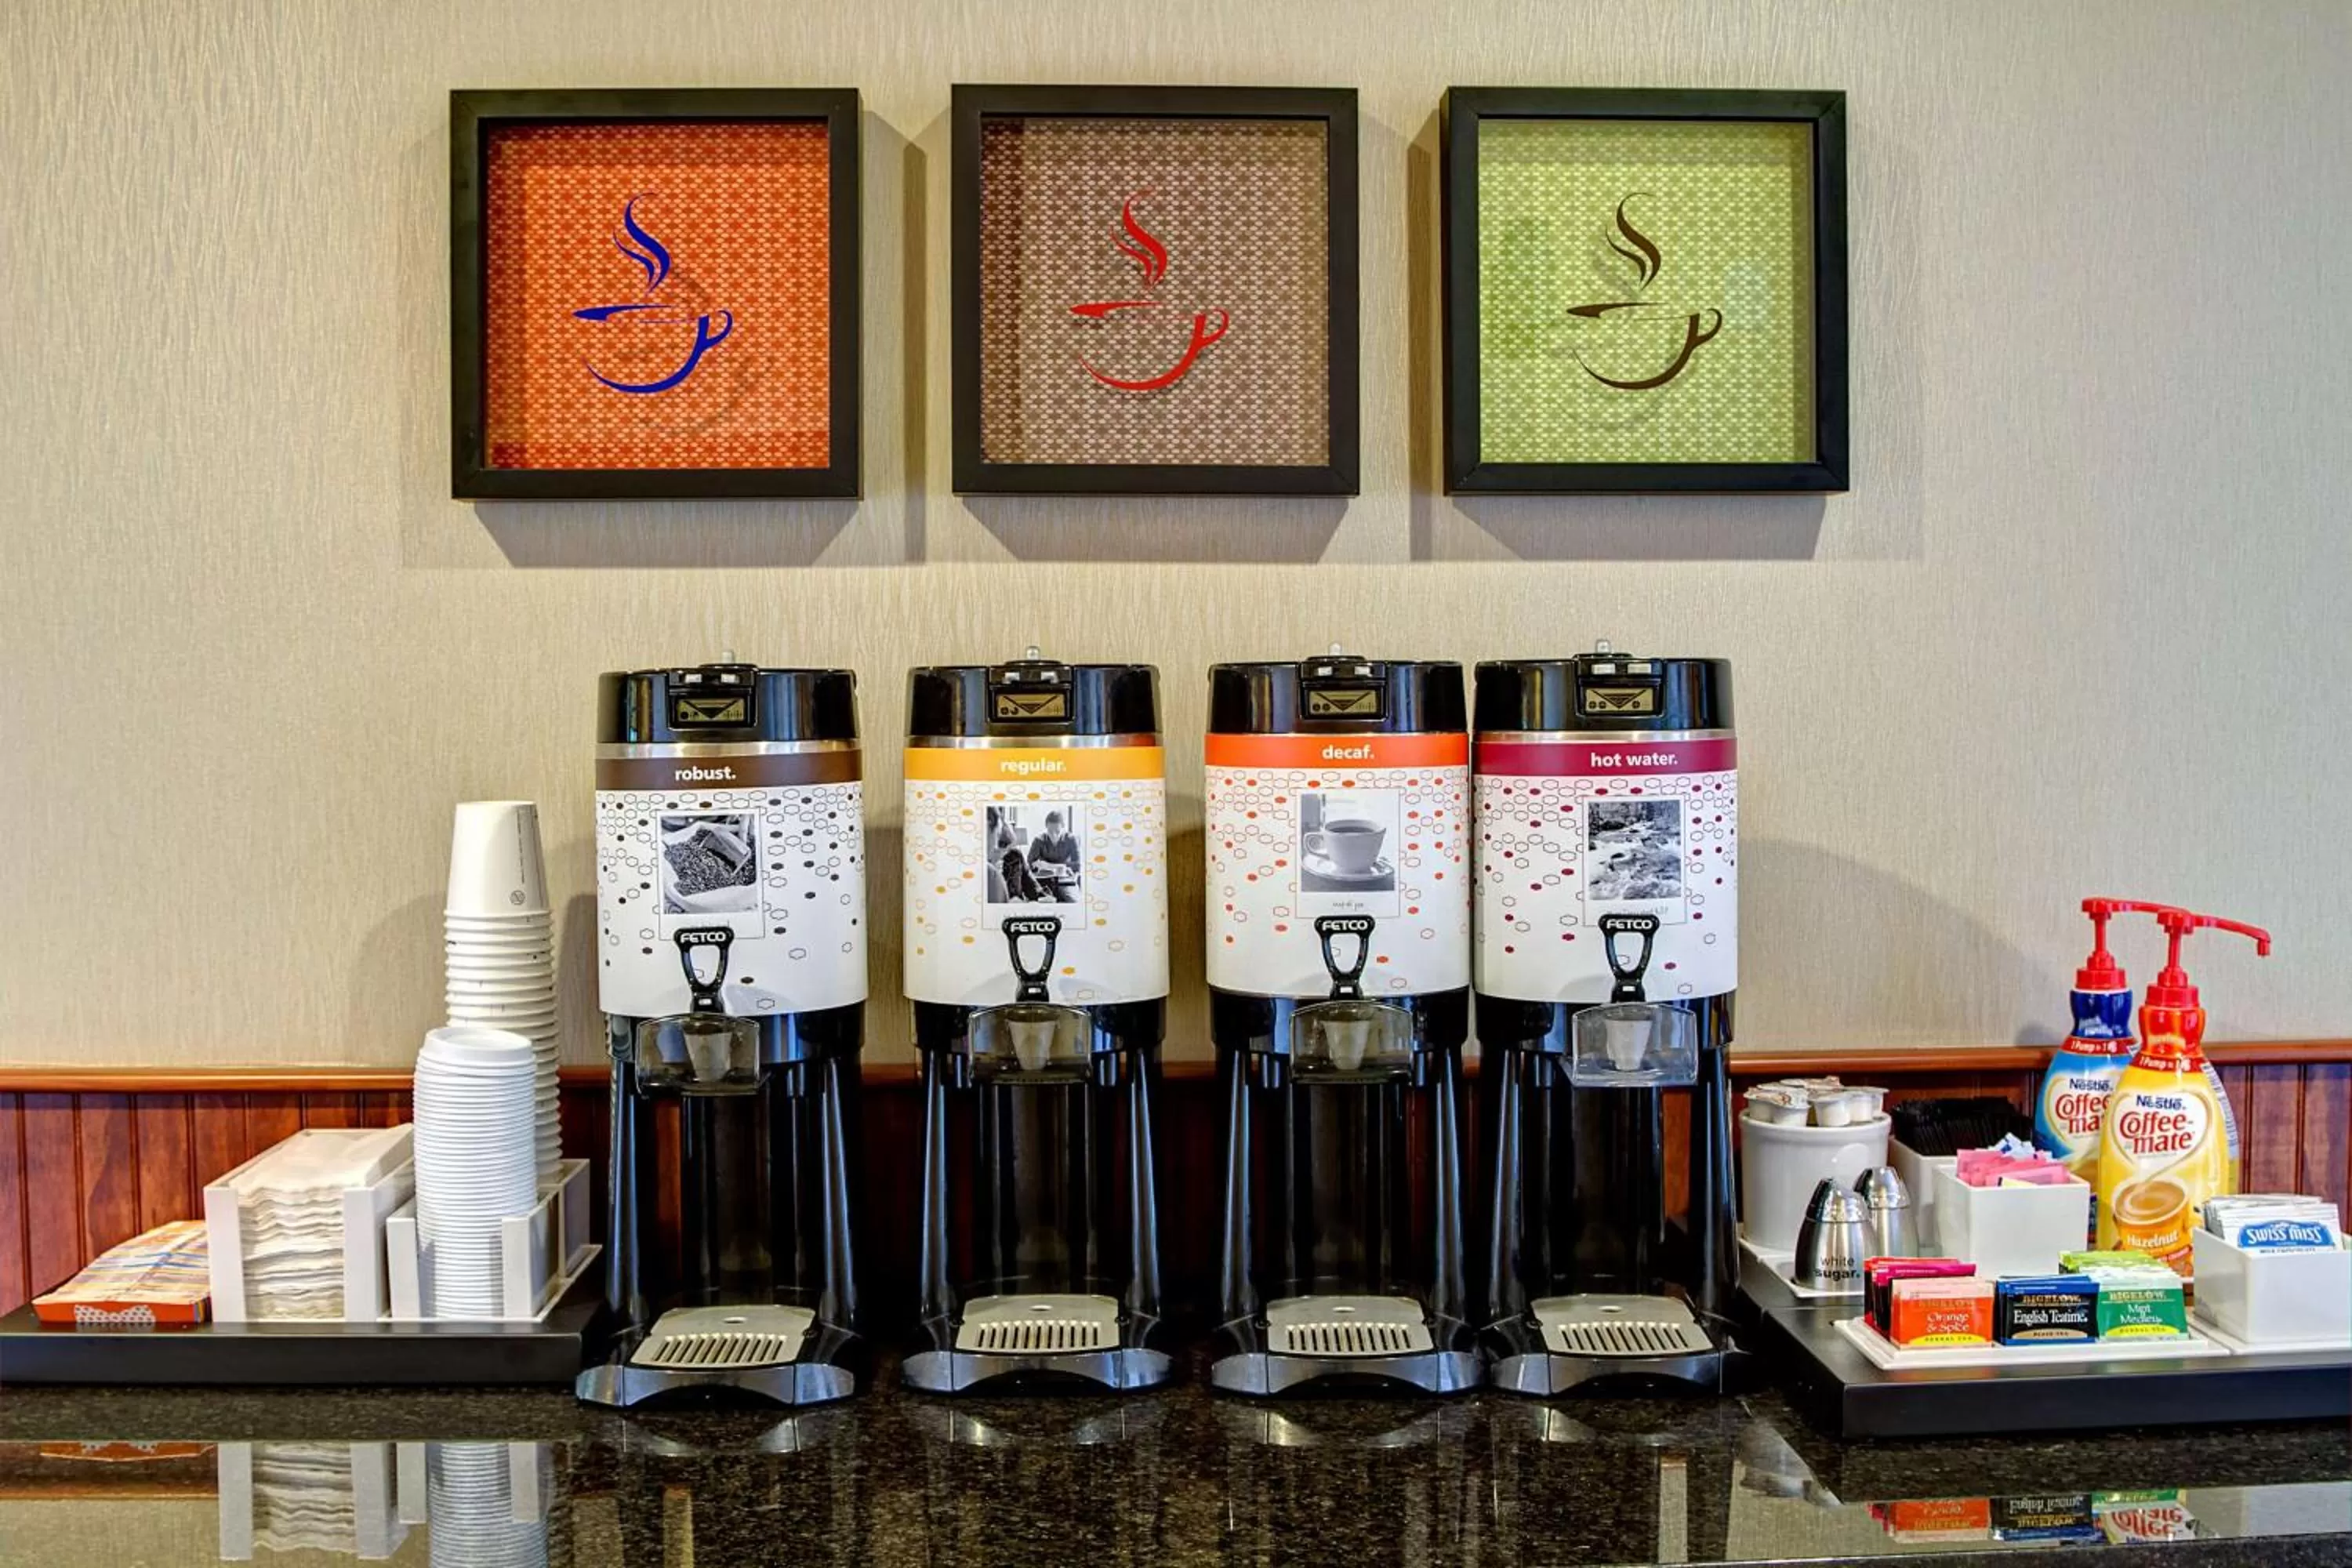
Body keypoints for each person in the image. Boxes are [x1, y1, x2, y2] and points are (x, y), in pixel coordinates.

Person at [1026, 811, 1081, 903]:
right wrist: (1062, 866)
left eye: (1057, 831)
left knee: (1073, 901)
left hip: (1064, 881)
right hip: (1043, 881)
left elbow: (1078, 865)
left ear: (1063, 827)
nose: (1054, 836)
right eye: (1050, 832)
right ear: (1046, 827)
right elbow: (1030, 863)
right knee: (1033, 902)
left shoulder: (1071, 839)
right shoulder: (1039, 840)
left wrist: (1047, 865)